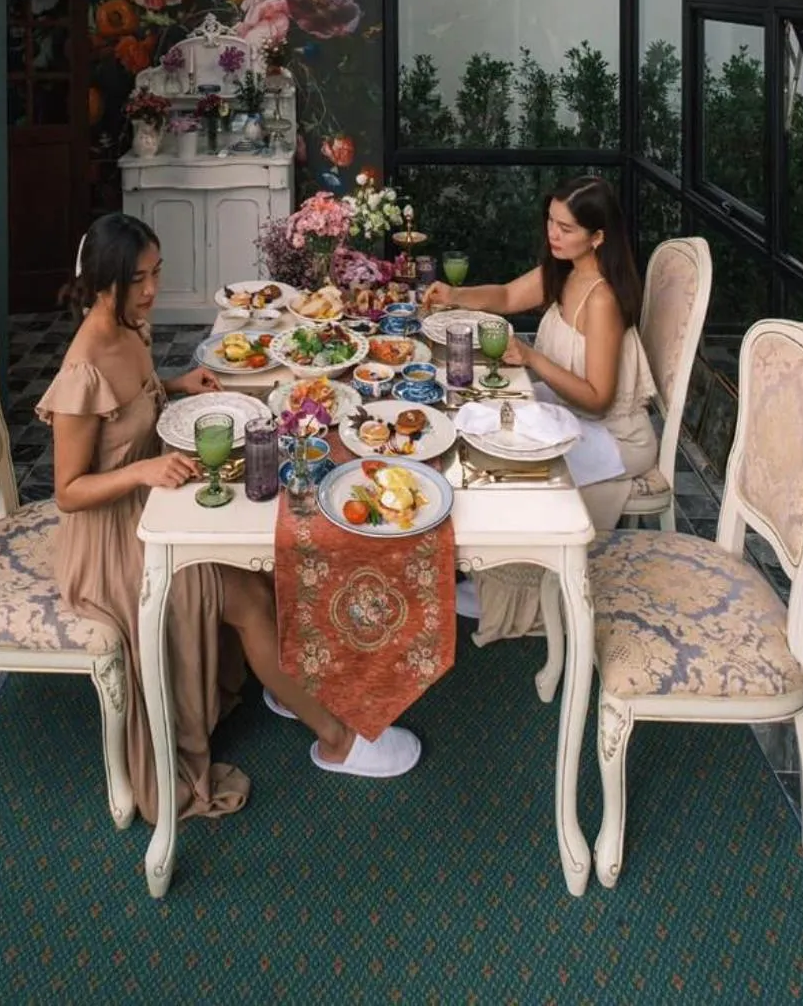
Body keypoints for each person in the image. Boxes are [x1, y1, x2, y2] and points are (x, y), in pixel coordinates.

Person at [37, 212, 420, 822]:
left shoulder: (129, 325)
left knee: (267, 550)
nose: (153, 289)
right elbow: (68, 491)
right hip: (111, 538)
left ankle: (282, 684)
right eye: (139, 278)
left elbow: (130, 404)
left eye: (156, 272)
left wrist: (176, 382)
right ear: (106, 280)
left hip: (154, 503)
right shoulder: (82, 365)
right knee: (242, 592)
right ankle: (337, 740)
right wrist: (141, 472)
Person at [422, 177, 657, 640]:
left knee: (501, 459)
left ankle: (511, 590)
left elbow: (598, 397)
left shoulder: (602, 299)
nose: (554, 234)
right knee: (475, 417)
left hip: (615, 435)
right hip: (573, 412)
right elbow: (509, 297)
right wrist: (455, 297)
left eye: (566, 228)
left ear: (598, 236)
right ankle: (490, 571)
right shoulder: (565, 270)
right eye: (550, 221)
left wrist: (531, 358)